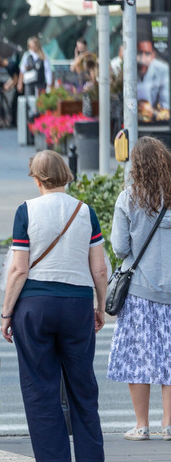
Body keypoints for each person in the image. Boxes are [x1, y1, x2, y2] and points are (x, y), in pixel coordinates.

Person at [0, 151, 108, 462]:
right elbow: (100, 268)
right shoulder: (85, 211)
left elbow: (19, 269)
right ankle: (92, 459)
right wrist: (100, 307)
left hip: (36, 305)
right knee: (82, 380)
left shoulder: (26, 211)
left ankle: (54, 460)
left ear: (36, 178)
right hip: (77, 304)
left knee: (39, 381)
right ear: (66, 174)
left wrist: (6, 313)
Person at [107, 137, 171, 443]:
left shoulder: (128, 197)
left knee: (138, 358)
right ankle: (169, 424)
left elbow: (119, 248)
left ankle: (142, 425)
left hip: (140, 292)